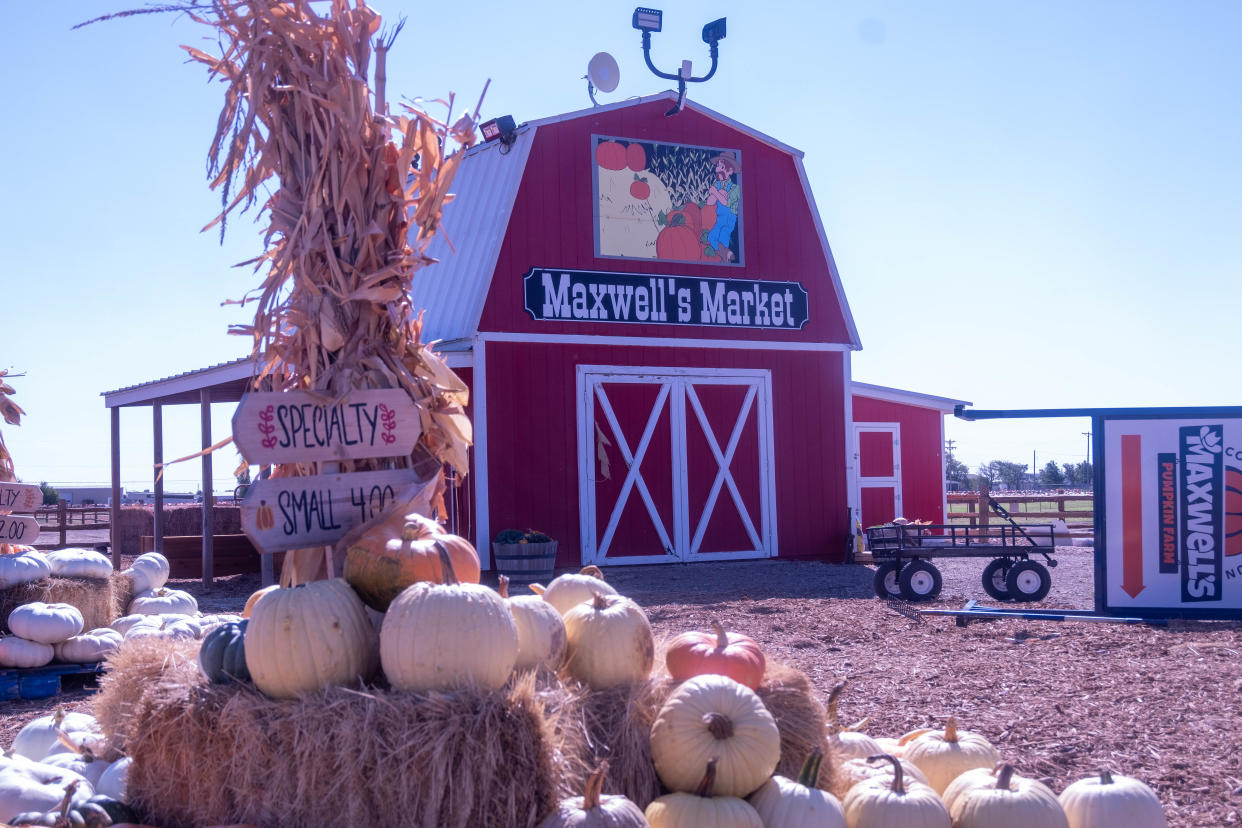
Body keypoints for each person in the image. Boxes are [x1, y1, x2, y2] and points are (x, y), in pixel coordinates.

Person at [703, 151, 741, 261]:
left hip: (729, 218)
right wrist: (717, 193)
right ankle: (728, 254)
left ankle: (725, 261)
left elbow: (726, 203)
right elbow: (709, 202)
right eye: (718, 165)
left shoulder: (735, 188)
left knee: (723, 238)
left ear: (730, 171)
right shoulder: (717, 185)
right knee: (711, 237)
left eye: (722, 166)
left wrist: (715, 192)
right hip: (719, 217)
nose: (718, 169)